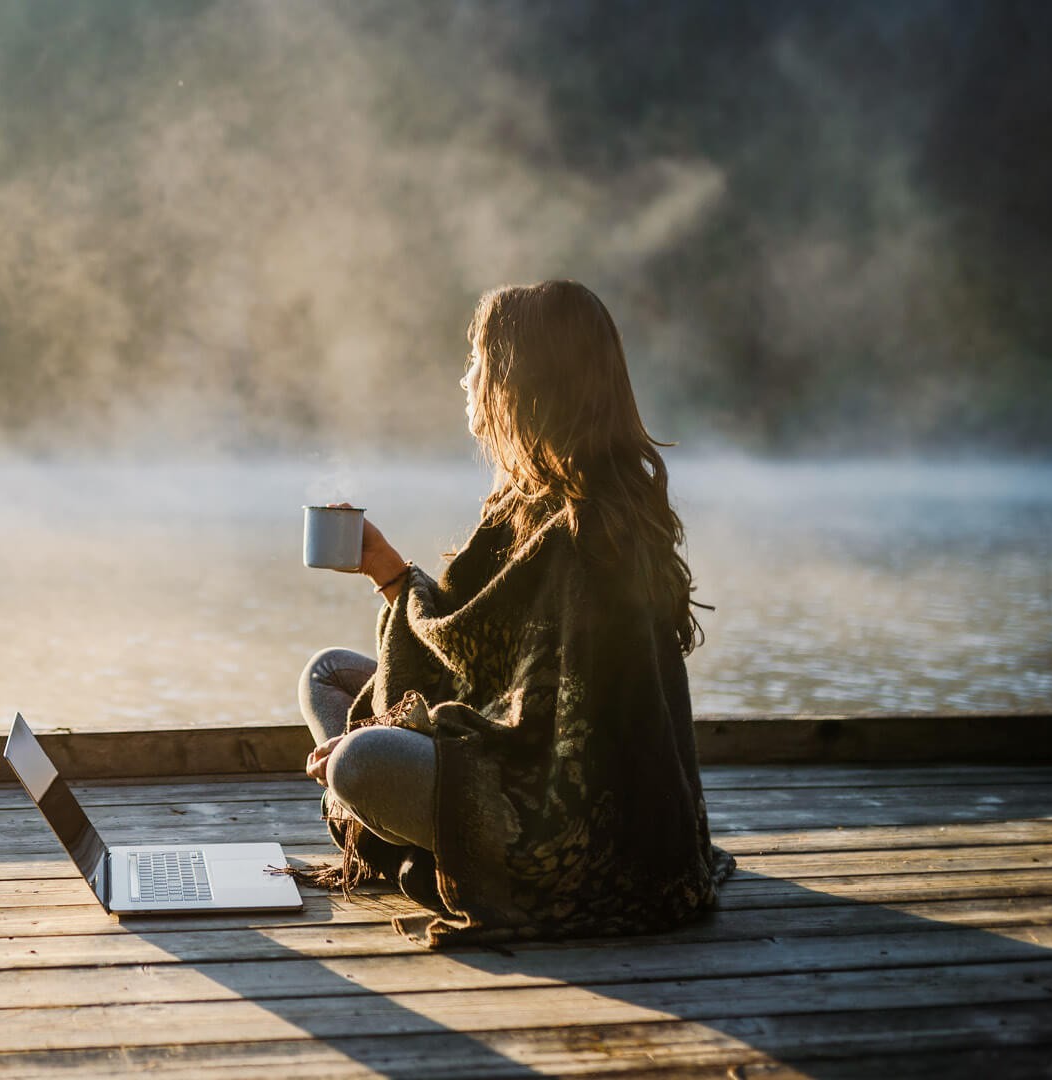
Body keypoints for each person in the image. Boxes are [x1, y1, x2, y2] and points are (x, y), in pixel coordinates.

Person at [296, 279, 732, 948]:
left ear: (521, 382)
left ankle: (446, 857)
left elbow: (536, 730)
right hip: (505, 746)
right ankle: (428, 848)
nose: (465, 379)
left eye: (478, 363)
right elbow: (484, 667)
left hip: (562, 815)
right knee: (326, 675)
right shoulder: (523, 505)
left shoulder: (590, 536)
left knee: (362, 761)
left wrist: (403, 731)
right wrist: (389, 574)